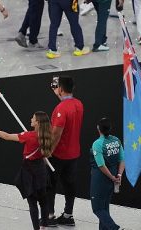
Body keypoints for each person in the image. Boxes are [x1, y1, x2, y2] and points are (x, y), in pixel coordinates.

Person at [0, 111, 53, 230]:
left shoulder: (29, 136)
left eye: (33, 118)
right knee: (43, 201)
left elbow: (6, 136)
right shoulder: (47, 136)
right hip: (41, 171)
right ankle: (44, 227)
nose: (31, 119)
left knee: (32, 205)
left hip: (29, 172)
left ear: (37, 123)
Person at [46, 75, 84, 226]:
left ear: (60, 89)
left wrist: (48, 151)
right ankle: (68, 215)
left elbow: (56, 133)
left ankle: (49, 216)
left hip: (59, 154)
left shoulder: (61, 108)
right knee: (69, 184)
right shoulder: (79, 104)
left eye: (56, 87)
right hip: (73, 154)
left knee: (50, 184)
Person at [90, 117, 125, 230]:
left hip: (101, 178)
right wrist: (118, 176)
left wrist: (111, 177)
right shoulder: (116, 140)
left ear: (98, 128)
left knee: (97, 208)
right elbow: (122, 159)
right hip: (114, 175)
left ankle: (115, 228)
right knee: (104, 207)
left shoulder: (97, 144)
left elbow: (101, 165)